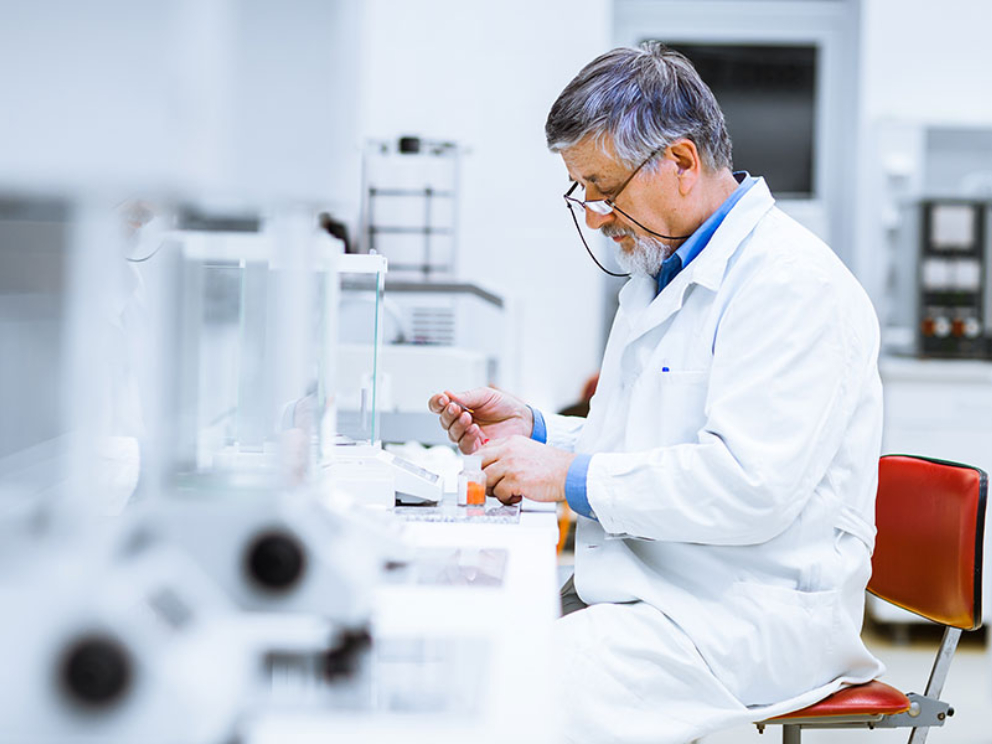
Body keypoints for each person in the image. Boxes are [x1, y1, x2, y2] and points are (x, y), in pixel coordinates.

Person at [429, 42, 883, 744]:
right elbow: (646, 446)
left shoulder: (792, 286)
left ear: (679, 163)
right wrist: (536, 433)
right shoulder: (659, 277)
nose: (595, 216)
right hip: (653, 589)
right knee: (468, 650)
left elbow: (747, 485)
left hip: (743, 614)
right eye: (582, 192)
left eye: (605, 190)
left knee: (507, 699)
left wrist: (567, 478)